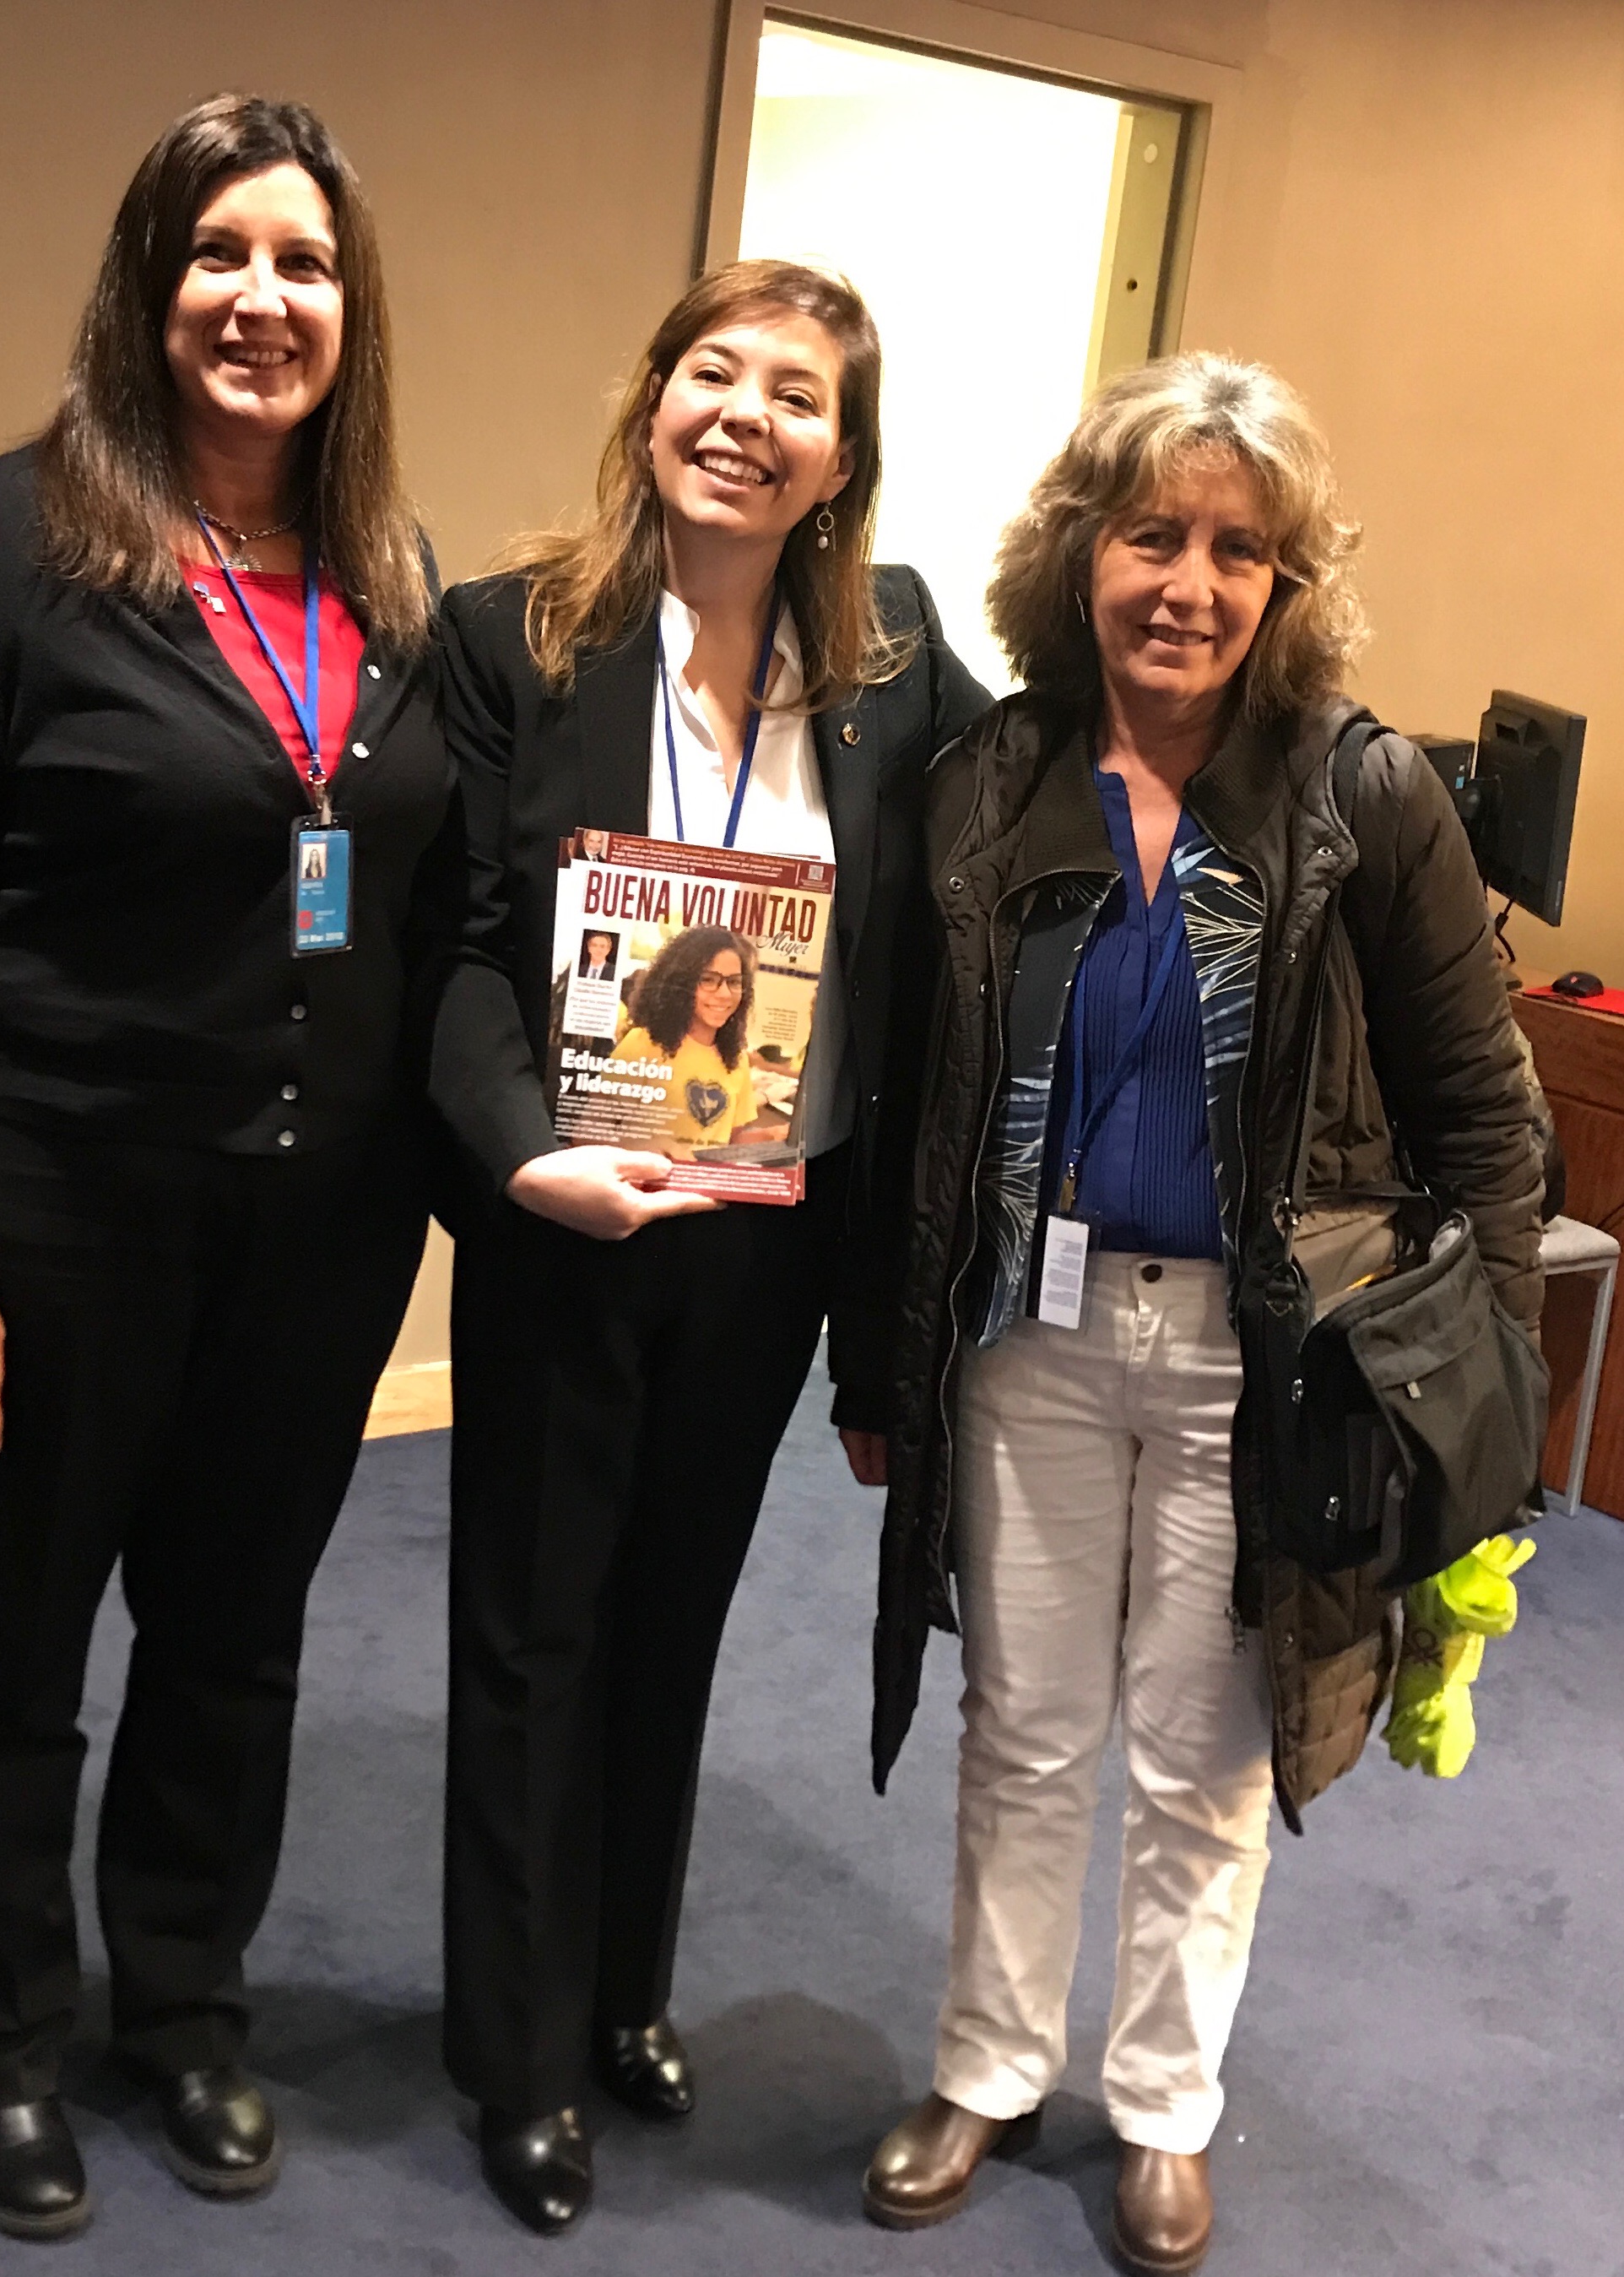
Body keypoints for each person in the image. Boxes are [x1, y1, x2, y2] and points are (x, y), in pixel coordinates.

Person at [0, 95, 453, 2241]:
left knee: (233, 1638)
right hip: (63, 1213)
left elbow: (428, 898)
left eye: (307, 264)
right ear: (149, 284)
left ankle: (181, 2004)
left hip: (320, 1230)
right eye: (222, 254)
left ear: (353, 310)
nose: (263, 300)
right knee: (11, 1651)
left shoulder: (389, 579)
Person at [856, 355, 1543, 2275]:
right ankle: (987, 2066)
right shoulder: (983, 782)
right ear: (1079, 550)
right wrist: (879, 1359)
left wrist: (1486, 1409)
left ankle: (1164, 2104)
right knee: (1021, 1725)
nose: (1190, 582)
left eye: (1240, 550)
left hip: (1271, 1359)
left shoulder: (1365, 795)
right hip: (1033, 1336)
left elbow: (1486, 1117)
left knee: (1205, 1748)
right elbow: (915, 1111)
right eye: (1153, 533)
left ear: (1285, 584)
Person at [427, 259, 989, 2236]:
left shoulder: (896, 667)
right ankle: (514, 2053)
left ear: (842, 459)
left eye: (798, 396)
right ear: (654, 396)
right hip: (572, 1218)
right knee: (534, 1634)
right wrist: (524, 1160)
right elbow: (449, 953)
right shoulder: (513, 638)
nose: (747, 417)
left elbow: (994, 870)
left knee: (670, 1624)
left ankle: (620, 1992)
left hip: (766, 1235)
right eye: (714, 373)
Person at [608, 925, 760, 1153]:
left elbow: (730, 1141)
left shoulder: (736, 1058)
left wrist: (776, 1136)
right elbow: (585, 1134)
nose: (724, 993)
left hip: (705, 1176)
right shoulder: (644, 1044)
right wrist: (647, 1147)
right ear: (681, 984)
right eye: (708, 980)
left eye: (735, 982)